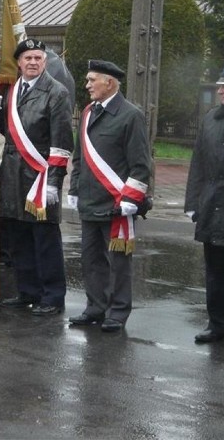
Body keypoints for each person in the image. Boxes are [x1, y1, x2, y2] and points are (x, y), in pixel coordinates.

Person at [0, 38, 73, 315]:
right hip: (13, 174)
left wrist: (53, 183)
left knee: (44, 239)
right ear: (20, 63)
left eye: (38, 58)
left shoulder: (56, 93)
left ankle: (52, 296)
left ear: (44, 62)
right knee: (19, 237)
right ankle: (27, 291)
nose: (33, 62)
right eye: (28, 58)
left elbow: (62, 143)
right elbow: (7, 133)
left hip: (39, 176)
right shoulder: (11, 92)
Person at [67, 60, 151, 333]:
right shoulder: (89, 112)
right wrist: (74, 188)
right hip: (90, 201)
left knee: (117, 263)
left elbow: (141, 163)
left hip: (116, 204)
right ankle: (95, 307)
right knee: (91, 259)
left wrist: (131, 197)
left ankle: (117, 311)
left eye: (92, 80)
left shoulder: (131, 115)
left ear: (110, 83)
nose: (87, 85)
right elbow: (80, 157)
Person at [184, 58, 224, 344]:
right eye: (219, 86)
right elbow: (198, 165)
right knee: (217, 270)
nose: (219, 91)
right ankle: (218, 323)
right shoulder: (211, 119)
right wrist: (193, 203)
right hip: (215, 205)